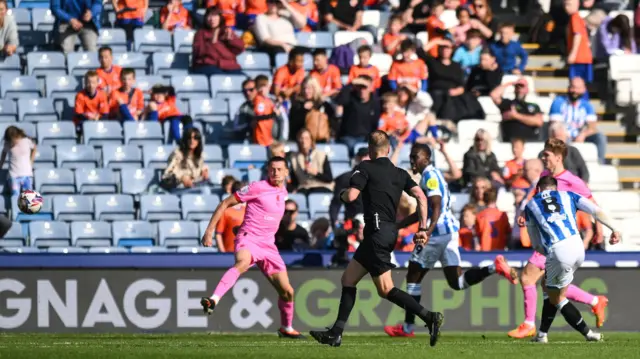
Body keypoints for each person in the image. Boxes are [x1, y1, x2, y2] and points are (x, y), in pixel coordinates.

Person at [309, 131, 444, 347]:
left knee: (386, 289)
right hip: (385, 233)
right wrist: (423, 228)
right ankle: (336, 333)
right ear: (388, 149)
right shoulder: (400, 173)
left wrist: (343, 194)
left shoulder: (364, 167)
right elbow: (421, 196)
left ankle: (430, 317)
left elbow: (351, 196)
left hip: (377, 235)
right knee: (349, 279)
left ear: (370, 151)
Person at [383, 143, 516, 338]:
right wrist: (399, 225)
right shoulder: (432, 175)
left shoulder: (429, 176)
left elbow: (435, 206)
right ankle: (493, 268)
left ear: (426, 158)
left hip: (438, 233)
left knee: (413, 273)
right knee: (457, 282)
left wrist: (427, 231)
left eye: (415, 156)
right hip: (448, 231)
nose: (412, 160)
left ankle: (408, 328)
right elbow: (425, 208)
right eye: (411, 156)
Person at [508, 139, 608, 339]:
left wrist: (600, 228)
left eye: (546, 155)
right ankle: (591, 303)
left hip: (560, 240)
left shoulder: (573, 181)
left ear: (558, 157)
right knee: (549, 287)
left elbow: (592, 204)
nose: (543, 158)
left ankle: (530, 324)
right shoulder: (544, 177)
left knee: (528, 277)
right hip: (547, 238)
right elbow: (534, 202)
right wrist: (525, 216)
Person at [201, 156, 305, 339]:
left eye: (279, 169)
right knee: (241, 263)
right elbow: (225, 203)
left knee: (288, 292)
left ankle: (286, 328)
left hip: (268, 246)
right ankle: (213, 300)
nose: (275, 172)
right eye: (272, 169)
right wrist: (209, 231)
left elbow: (265, 215)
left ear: (287, 172)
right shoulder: (257, 187)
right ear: (267, 171)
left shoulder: (283, 192)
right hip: (249, 239)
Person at [525, 175, 621, 343]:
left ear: (538, 189)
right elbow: (596, 211)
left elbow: (535, 243)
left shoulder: (531, 204)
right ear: (556, 188)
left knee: (557, 297)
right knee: (547, 286)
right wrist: (614, 229)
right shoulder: (568, 195)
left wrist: (551, 253)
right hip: (578, 247)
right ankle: (542, 335)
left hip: (559, 250)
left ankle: (589, 333)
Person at [549, 77, 607, 164]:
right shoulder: (558, 102)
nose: (575, 91)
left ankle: (600, 163)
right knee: (559, 134)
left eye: (578, 88)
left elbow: (592, 127)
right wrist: (565, 135)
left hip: (580, 136)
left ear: (584, 90)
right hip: (564, 135)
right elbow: (555, 124)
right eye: (573, 87)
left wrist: (583, 134)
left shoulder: (587, 105)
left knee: (600, 137)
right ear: (568, 87)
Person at [192, 8, 245, 76]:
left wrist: (231, 40)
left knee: (243, 79)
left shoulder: (226, 31)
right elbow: (201, 53)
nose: (212, 19)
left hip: (229, 65)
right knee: (220, 77)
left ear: (220, 18)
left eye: (215, 16)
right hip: (207, 65)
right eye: (209, 16)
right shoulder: (200, 33)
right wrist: (213, 41)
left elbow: (240, 48)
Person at [335, 76, 381, 154]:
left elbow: (375, 123)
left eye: (364, 87)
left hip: (366, 138)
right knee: (352, 147)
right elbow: (340, 100)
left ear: (370, 88)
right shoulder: (350, 98)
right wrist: (351, 84)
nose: (362, 90)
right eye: (359, 87)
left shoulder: (375, 102)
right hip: (349, 137)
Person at [161, 128, 210, 193]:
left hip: (194, 186)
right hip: (179, 188)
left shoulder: (199, 156)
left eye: (195, 138)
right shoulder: (177, 154)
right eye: (189, 138)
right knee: (205, 191)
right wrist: (182, 178)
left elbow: (201, 170)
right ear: (185, 140)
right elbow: (167, 175)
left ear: (199, 141)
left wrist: (204, 171)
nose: (192, 141)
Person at [329, 147, 367, 227]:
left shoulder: (379, 179)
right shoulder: (346, 178)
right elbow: (336, 203)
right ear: (358, 159)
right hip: (353, 224)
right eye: (364, 157)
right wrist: (334, 223)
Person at [288, 128, 334, 194]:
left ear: (311, 140)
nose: (303, 141)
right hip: (304, 188)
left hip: (321, 186)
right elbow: (294, 181)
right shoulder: (294, 158)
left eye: (306, 138)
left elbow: (329, 179)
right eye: (301, 138)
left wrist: (316, 173)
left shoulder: (321, 155)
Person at [0, 126, 36, 196]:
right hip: (14, 175)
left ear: (16, 135)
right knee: (15, 195)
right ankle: (15, 207)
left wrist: (31, 161)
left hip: (27, 175)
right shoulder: (8, 144)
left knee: (29, 196)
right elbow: (4, 153)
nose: (12, 141)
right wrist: (1, 164)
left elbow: (34, 148)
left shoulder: (26, 141)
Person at [565, 0, 593, 87]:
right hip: (585, 58)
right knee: (583, 85)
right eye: (565, 5)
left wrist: (573, 54)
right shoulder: (578, 18)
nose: (566, 7)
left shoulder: (574, 17)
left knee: (577, 85)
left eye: (568, 4)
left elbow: (578, 35)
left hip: (579, 59)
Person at [215, 181, 247, 252]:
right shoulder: (226, 211)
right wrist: (223, 253)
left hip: (246, 254)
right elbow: (218, 233)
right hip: (229, 253)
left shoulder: (250, 210)